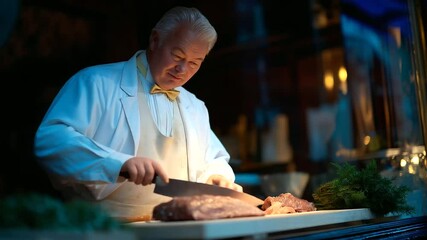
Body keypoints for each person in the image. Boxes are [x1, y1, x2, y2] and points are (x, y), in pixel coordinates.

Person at [34, 6, 242, 221]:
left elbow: (214, 158)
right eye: (177, 55)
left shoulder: (195, 106)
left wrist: (216, 176)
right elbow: (50, 141)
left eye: (194, 63)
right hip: (102, 227)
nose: (182, 70)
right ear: (154, 40)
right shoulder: (95, 82)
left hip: (174, 227)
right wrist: (118, 163)